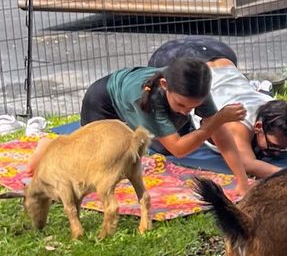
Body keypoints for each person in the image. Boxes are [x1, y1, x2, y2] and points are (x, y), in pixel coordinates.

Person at [146, 40, 287, 189]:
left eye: (283, 147)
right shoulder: (237, 125)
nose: (278, 153)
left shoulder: (285, 118)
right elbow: (247, 164)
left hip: (221, 54)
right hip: (176, 57)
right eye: (273, 147)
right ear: (258, 127)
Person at [79, 58, 250, 186]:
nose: (186, 111)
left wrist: (242, 181)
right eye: (181, 104)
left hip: (141, 100)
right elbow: (179, 149)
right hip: (102, 101)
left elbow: (220, 134)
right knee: (101, 169)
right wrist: (216, 121)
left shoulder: (197, 88)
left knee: (158, 147)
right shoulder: (149, 99)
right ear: (164, 85)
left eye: (193, 107)